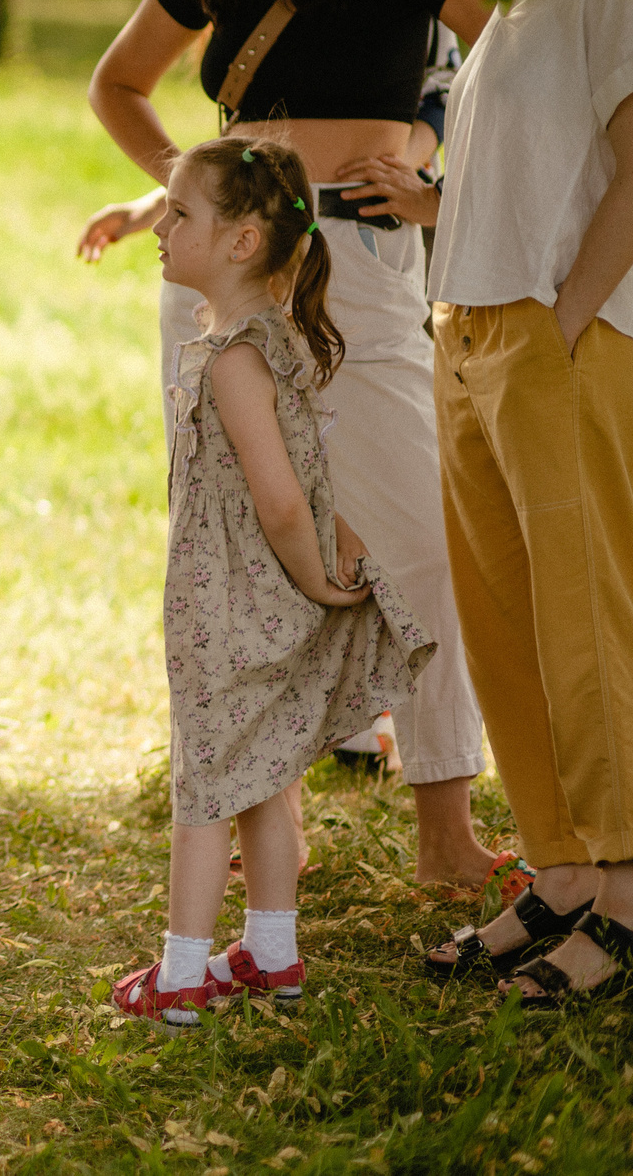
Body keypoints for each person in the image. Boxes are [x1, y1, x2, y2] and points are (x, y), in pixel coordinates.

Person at [74, 0, 512, 894]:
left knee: (419, 535)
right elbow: (115, 84)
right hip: (224, 267)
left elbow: (506, 59)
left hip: (358, 254)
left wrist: (435, 173)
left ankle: (444, 833)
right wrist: (185, 187)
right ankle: (262, 817)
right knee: (229, 550)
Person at [112, 136, 434, 1028]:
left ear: (241, 242)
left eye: (180, 213)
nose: (161, 226)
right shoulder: (262, 337)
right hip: (253, 587)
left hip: (237, 596)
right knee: (257, 770)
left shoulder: (234, 359)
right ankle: (271, 951)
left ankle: (180, 971)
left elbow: (284, 499)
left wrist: (321, 584)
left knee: (207, 777)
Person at [417, 0, 633, 1004]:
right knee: (503, 624)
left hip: (559, 332)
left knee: (589, 624)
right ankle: (556, 872)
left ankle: (628, 893)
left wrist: (561, 324)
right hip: (467, 323)